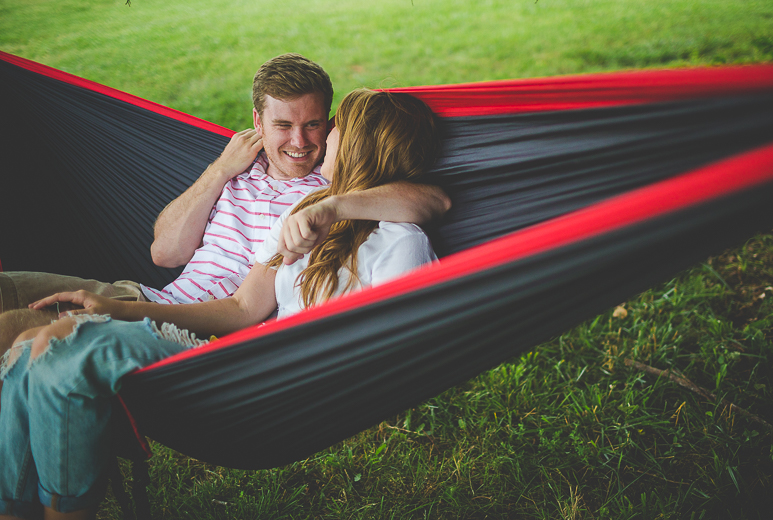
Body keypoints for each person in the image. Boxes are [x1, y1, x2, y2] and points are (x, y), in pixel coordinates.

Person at [0, 89, 442, 520]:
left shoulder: (400, 244)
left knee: (62, 346)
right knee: (31, 342)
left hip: (284, 382)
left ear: (361, 144)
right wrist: (117, 309)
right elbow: (241, 308)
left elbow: (393, 344)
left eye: (335, 126)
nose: (322, 137)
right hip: (231, 358)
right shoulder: (303, 217)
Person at [0, 53, 450, 354]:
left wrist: (330, 206)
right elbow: (165, 253)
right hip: (151, 297)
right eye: (282, 125)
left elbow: (431, 199)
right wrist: (219, 171)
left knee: (21, 332)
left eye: (315, 125)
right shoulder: (237, 170)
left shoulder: (332, 192)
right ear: (257, 121)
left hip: (192, 327)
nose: (300, 142)